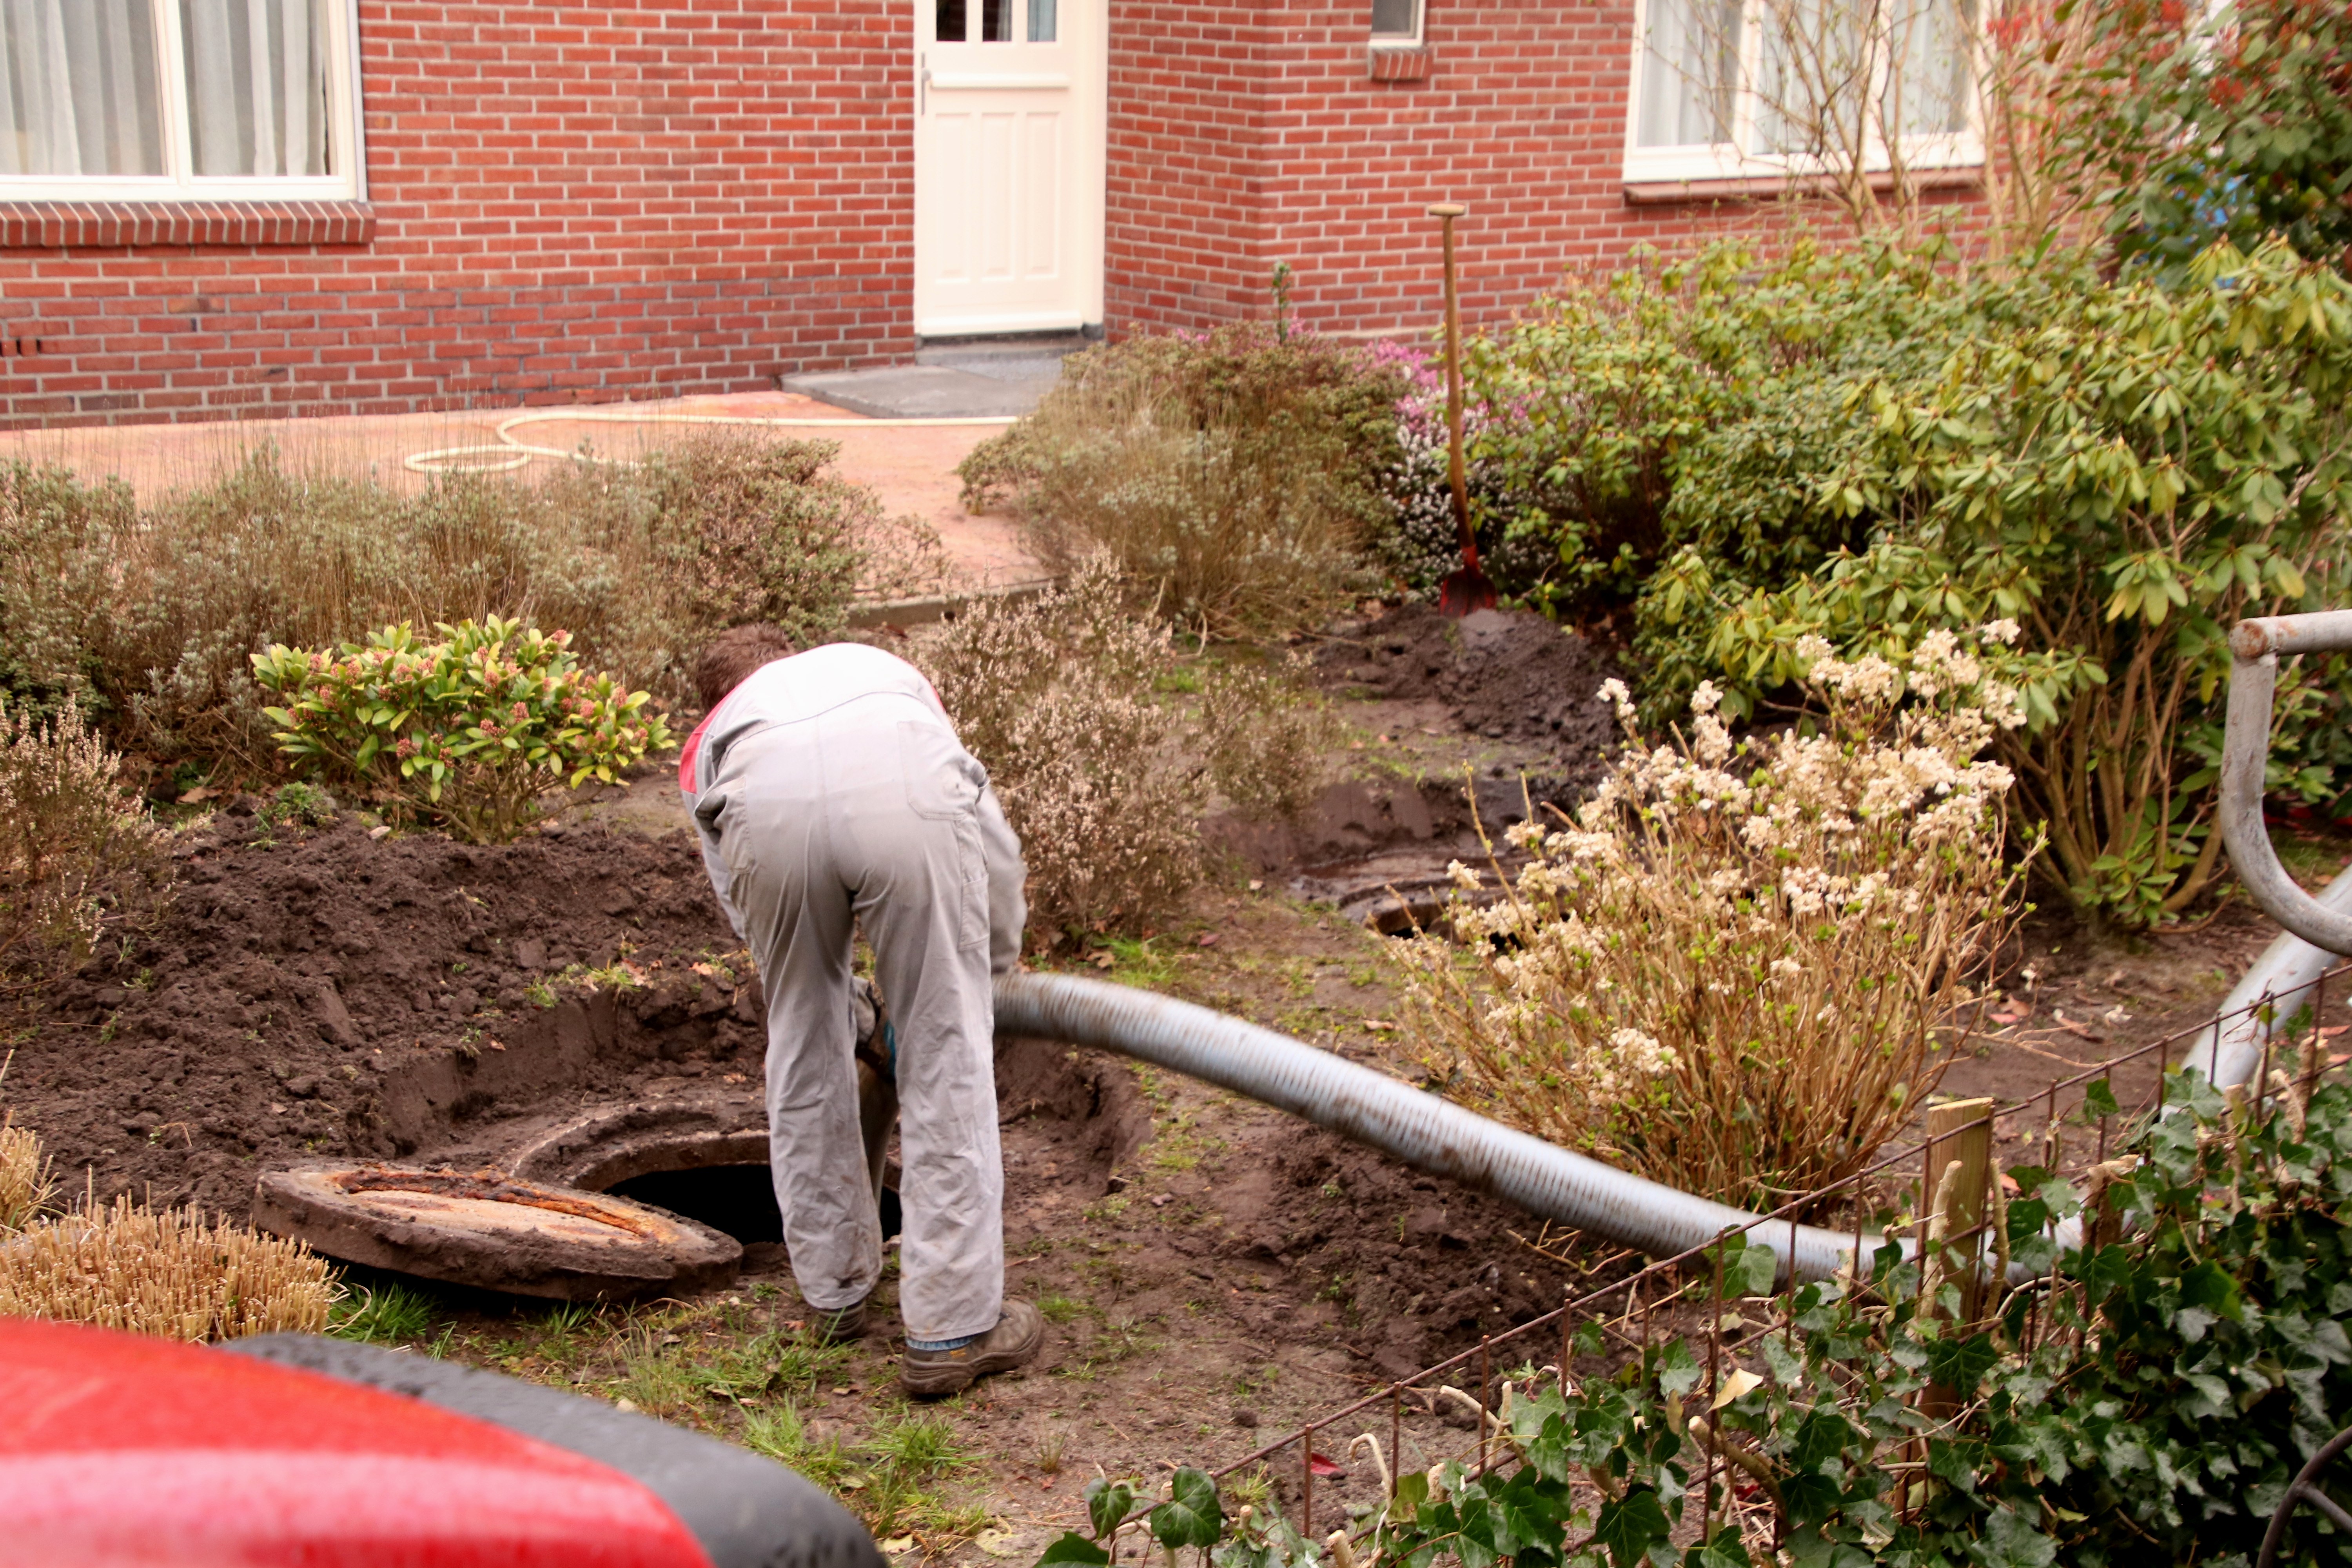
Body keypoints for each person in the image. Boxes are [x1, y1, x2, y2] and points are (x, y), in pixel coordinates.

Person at [678, 622, 1040, 1396]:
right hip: (899, 788)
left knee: (802, 1042)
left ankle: (834, 1293)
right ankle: (952, 1329)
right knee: (944, 1048)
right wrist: (991, 970)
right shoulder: (879, 673)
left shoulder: (714, 738)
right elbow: (985, 831)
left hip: (761, 809)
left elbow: (754, 925)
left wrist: (843, 1006)